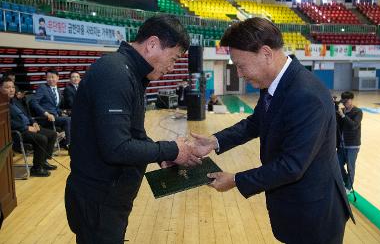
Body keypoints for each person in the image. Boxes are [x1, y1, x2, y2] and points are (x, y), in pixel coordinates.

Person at [188, 18, 354, 244]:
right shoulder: (277, 82)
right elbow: (256, 122)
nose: (239, 73)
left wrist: (236, 179)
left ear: (266, 53)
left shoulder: (306, 96)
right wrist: (214, 141)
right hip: (294, 207)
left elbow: (291, 166)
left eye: (241, 65)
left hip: (315, 215)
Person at [64, 15, 205, 244]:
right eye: (174, 58)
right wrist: (169, 150)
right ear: (152, 44)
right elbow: (117, 148)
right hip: (99, 201)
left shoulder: (130, 73)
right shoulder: (115, 73)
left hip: (108, 200)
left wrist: (163, 156)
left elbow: (133, 135)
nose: (172, 68)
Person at [1, 78, 57, 177]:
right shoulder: (2, 105)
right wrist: (26, 128)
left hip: (29, 127)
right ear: (0, 88)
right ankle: (36, 169)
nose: (11, 90)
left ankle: (42, 162)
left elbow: (27, 114)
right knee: (42, 139)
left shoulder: (15, 101)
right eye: (7, 87)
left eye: (13, 87)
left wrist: (34, 122)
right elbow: (8, 123)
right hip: (18, 132)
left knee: (52, 134)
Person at [30, 70, 71, 149]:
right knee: (68, 120)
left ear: (58, 78)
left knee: (72, 117)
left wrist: (61, 112)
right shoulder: (42, 88)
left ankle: (64, 140)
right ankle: (68, 144)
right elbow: (33, 102)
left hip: (55, 117)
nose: (50, 79)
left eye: (52, 77)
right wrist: (46, 113)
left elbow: (55, 107)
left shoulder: (58, 90)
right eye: (48, 77)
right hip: (45, 118)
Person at [336, 91, 363, 194]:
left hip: (353, 145)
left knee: (350, 167)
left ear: (352, 99)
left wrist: (343, 115)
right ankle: (347, 180)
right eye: (344, 101)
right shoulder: (341, 111)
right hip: (342, 145)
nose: (345, 103)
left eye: (347, 101)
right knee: (337, 164)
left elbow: (353, 125)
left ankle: (348, 186)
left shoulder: (358, 112)